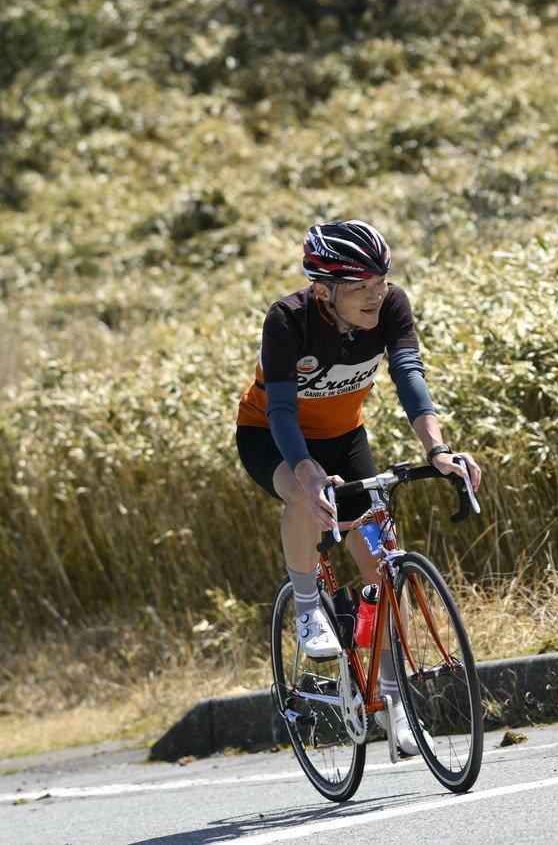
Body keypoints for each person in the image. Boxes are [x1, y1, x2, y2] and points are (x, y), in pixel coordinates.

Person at [235, 219, 481, 755]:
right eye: (361, 286)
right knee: (305, 497)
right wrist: (306, 472)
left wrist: (438, 450)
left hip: (345, 438)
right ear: (325, 291)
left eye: (380, 281)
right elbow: (281, 409)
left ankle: (396, 703)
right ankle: (307, 607)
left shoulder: (391, 306)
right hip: (272, 437)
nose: (376, 294)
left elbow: (409, 374)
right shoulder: (288, 319)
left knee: (381, 564)